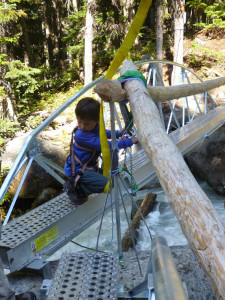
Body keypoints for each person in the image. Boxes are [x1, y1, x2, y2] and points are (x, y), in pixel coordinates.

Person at [63, 97, 138, 205]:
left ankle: (81, 185)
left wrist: (118, 133)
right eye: (79, 122)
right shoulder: (81, 135)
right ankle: (76, 189)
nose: (82, 126)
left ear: (97, 121)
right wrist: (129, 141)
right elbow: (107, 146)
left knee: (112, 178)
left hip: (88, 168)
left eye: (87, 123)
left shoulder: (95, 127)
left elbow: (103, 133)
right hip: (78, 171)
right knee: (108, 185)